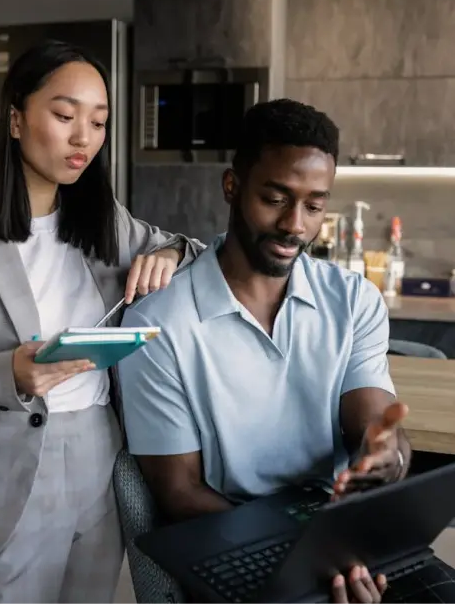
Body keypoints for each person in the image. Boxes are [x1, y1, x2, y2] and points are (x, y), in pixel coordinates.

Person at [0, 39, 202, 604]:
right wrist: (8, 375)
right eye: (64, 115)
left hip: (99, 455)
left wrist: (169, 254)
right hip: (1, 474)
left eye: (98, 122)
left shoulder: (106, 222)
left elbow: (195, 250)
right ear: (17, 119)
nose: (84, 138)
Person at [118, 98, 455, 604]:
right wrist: (307, 550)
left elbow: (373, 424)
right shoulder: (157, 323)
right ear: (232, 187)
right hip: (238, 544)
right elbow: (179, 493)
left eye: (314, 205)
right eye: (275, 199)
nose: (295, 224)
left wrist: (388, 454)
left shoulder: (352, 299)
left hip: (345, 542)